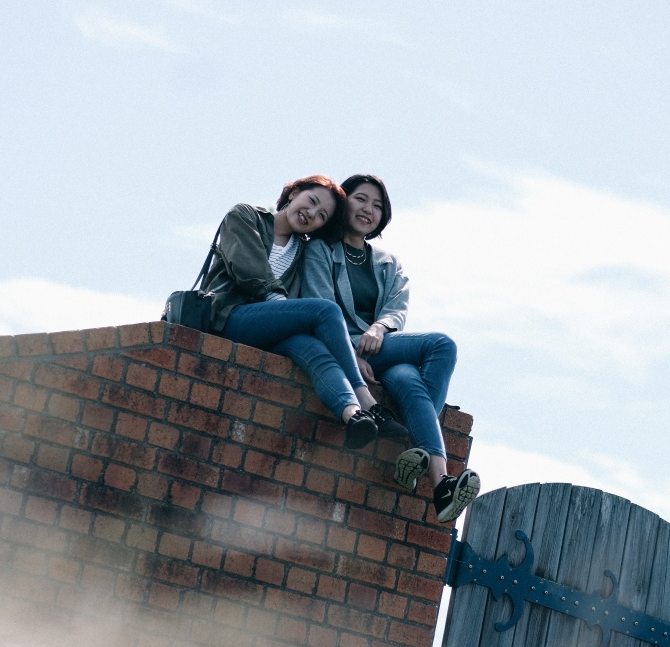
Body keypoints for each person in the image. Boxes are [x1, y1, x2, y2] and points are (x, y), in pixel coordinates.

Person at [302, 174, 479, 523]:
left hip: (382, 348)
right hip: (347, 349)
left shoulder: (388, 262)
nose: (369, 209)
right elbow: (318, 304)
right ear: (343, 201)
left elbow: (397, 306)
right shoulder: (320, 251)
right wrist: (352, 354)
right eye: (361, 199)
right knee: (438, 349)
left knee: (412, 376)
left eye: (378, 205)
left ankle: (429, 471)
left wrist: (379, 328)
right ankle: (432, 470)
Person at [199, 175, 406, 449]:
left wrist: (289, 315)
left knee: (313, 349)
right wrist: (284, 308)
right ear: (294, 192)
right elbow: (249, 270)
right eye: (311, 201)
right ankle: (367, 400)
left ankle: (355, 416)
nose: (311, 214)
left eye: (322, 215)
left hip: (272, 331)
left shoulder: (302, 249)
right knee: (326, 311)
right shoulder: (246, 216)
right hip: (229, 317)